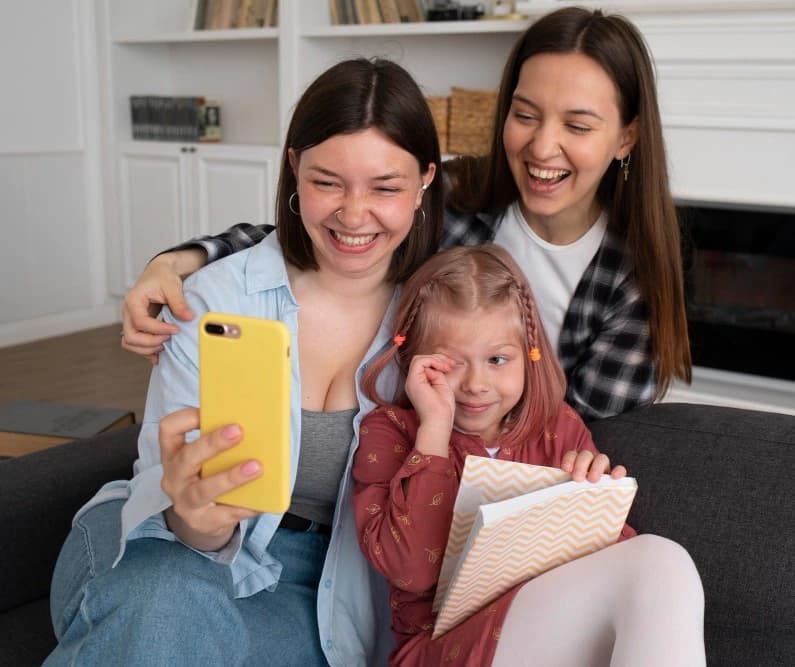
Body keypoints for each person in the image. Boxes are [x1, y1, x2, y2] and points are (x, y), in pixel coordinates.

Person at [44, 58, 443, 666]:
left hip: (326, 582)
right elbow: (166, 490)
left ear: (424, 183)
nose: (354, 214)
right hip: (161, 543)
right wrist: (199, 522)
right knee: (166, 602)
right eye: (327, 181)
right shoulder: (214, 297)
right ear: (294, 170)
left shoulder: (439, 318)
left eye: (385, 187)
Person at [119, 7, 692, 421]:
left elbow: (587, 430)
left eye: (578, 126)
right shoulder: (461, 200)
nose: (542, 148)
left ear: (626, 138)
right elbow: (332, 228)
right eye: (525, 114)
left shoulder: (633, 274)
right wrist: (181, 259)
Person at [352, 243, 705, 666]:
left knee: (661, 561)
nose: (476, 384)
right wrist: (433, 432)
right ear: (415, 361)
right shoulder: (391, 431)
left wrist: (594, 498)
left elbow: (615, 575)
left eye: (498, 359)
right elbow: (412, 569)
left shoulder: (557, 428)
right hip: (439, 649)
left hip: (549, 638)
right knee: (659, 564)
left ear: (529, 356)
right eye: (452, 364)